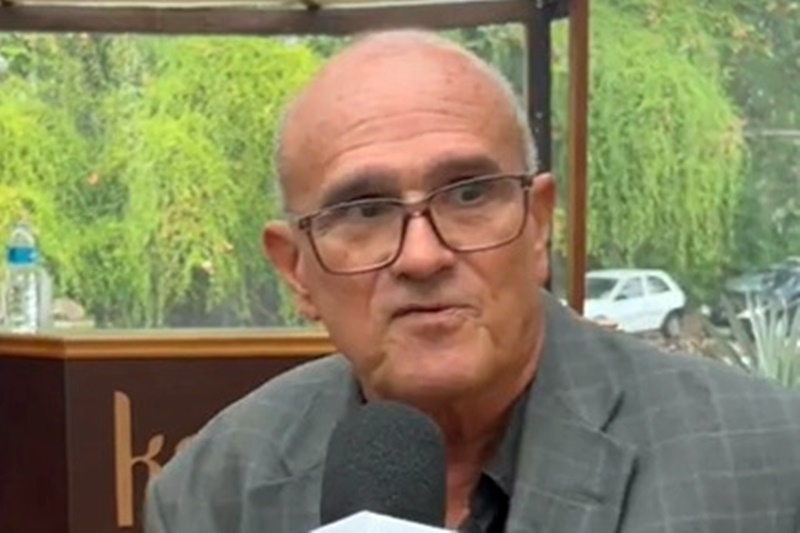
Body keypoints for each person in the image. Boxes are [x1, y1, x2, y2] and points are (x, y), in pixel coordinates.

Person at [144, 29, 800, 533]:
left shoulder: (768, 463)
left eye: (468, 195)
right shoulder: (216, 492)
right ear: (296, 269)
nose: (422, 256)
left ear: (538, 225)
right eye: (365, 211)